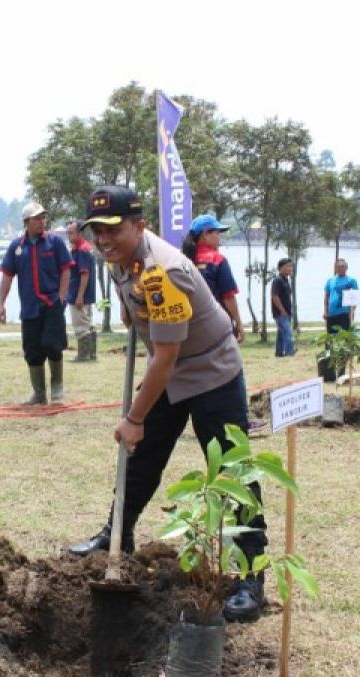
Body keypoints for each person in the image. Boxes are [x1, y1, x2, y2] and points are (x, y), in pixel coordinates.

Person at [67, 186, 267, 623]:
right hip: (170, 366)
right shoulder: (121, 259)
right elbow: (142, 322)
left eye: (112, 229)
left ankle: (253, 575)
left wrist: (135, 416)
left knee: (232, 471)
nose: (102, 239)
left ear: (139, 225)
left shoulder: (166, 272)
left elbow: (167, 357)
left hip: (210, 370)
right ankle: (116, 534)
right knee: (141, 460)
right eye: (95, 230)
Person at [0, 202, 72, 404]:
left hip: (51, 303)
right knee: (32, 350)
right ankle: (39, 394)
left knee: (53, 345)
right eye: (37, 218)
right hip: (30, 307)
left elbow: (66, 269)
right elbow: (7, 276)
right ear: (27, 222)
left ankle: (57, 386)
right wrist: (1, 304)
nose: (42, 221)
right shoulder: (16, 247)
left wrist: (62, 296)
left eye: (43, 218)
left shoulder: (54, 242)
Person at [181, 214, 243, 337]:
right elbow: (228, 296)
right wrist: (239, 323)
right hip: (217, 324)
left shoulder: (183, 261)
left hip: (190, 325)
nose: (219, 237)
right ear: (205, 234)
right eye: (217, 233)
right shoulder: (217, 260)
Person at [66, 220, 98, 361]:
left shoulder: (82, 250)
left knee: (81, 325)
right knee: (88, 322)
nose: (68, 236)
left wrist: (79, 296)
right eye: (67, 233)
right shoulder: (86, 248)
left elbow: (84, 274)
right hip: (85, 293)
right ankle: (91, 354)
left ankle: (84, 355)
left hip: (79, 294)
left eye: (71, 233)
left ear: (80, 233)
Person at [323, 258, 358, 331]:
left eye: (342, 266)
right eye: (338, 266)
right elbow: (326, 297)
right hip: (332, 314)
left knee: (344, 337)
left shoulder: (351, 281)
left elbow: (354, 299)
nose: (340, 268)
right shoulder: (330, 281)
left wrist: (352, 313)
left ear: (346, 268)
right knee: (331, 337)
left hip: (345, 314)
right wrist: (325, 311)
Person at [271, 258, 295, 356]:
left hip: (287, 312)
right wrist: (282, 310)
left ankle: (279, 353)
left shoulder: (286, 280)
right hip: (281, 313)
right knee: (288, 333)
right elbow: (274, 296)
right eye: (287, 266)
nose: (290, 268)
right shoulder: (278, 280)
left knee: (281, 334)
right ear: (281, 268)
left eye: (291, 266)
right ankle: (290, 353)